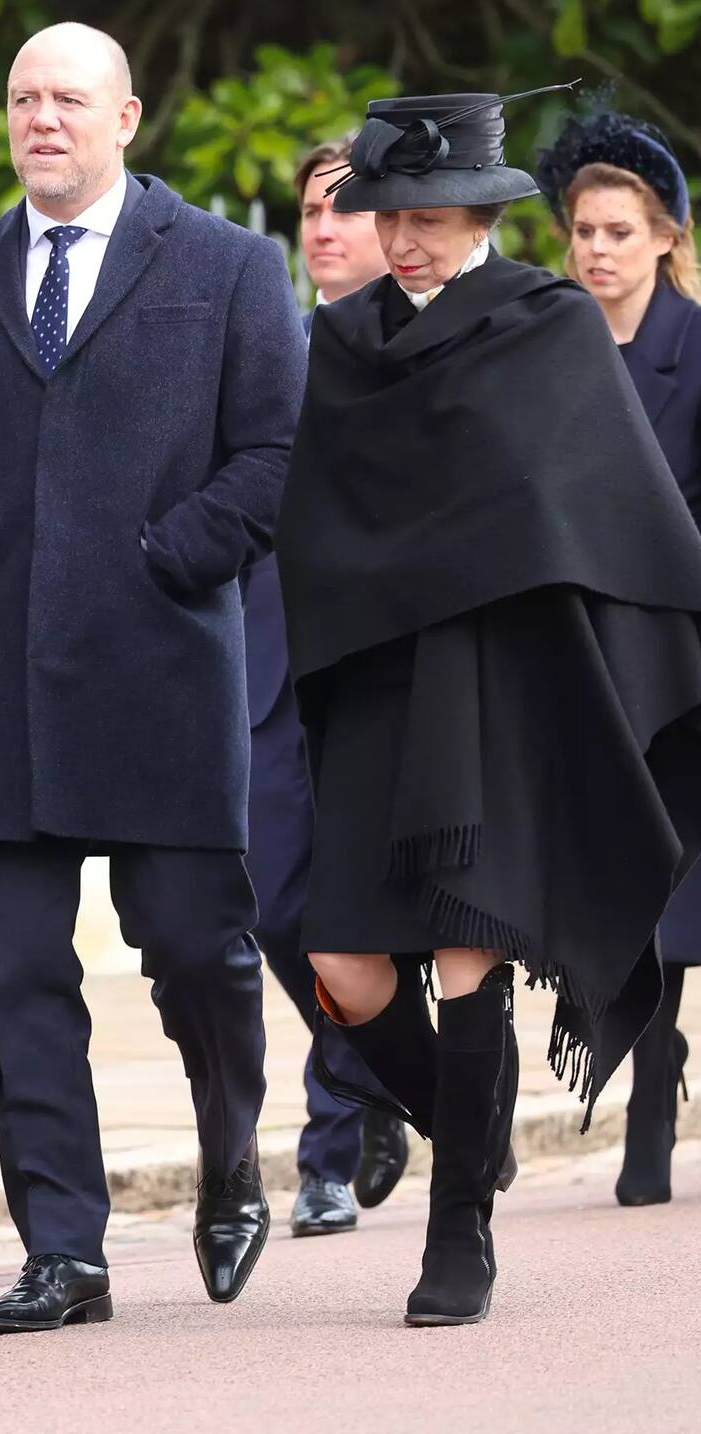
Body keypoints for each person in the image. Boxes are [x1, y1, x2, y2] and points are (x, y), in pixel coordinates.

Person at [0, 23, 307, 1329]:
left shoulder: (229, 265)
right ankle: (65, 1247)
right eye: (20, 98)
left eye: (67, 97)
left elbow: (276, 457)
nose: (39, 117)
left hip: (164, 675)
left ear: (125, 119)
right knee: (18, 983)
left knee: (194, 950)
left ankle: (231, 1156)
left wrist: (173, 557)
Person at [273, 89, 701, 1328]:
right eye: (384, 211)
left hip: (488, 681)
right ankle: (477, 1134)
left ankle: (458, 1227)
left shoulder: (546, 322)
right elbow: (319, 520)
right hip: (369, 683)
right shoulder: (343, 345)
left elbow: (599, 503)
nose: (403, 235)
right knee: (343, 968)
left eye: (428, 211)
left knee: (467, 960)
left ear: (478, 212)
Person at [536, 109, 701, 1208]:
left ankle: (650, 1083)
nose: (597, 249)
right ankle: (648, 1054)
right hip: (579, 653)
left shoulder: (698, 350)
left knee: (678, 875)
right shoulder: (547, 348)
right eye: (584, 231)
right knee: (605, 874)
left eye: (619, 231)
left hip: (686, 651)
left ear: (663, 242)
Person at [243, 134, 406, 1239]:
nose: (323, 226)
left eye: (346, 207)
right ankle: (390, 1063)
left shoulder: (435, 350)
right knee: (272, 900)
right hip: (265, 663)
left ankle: (332, 1140)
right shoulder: (268, 348)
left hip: (386, 671)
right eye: (310, 209)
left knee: (351, 905)